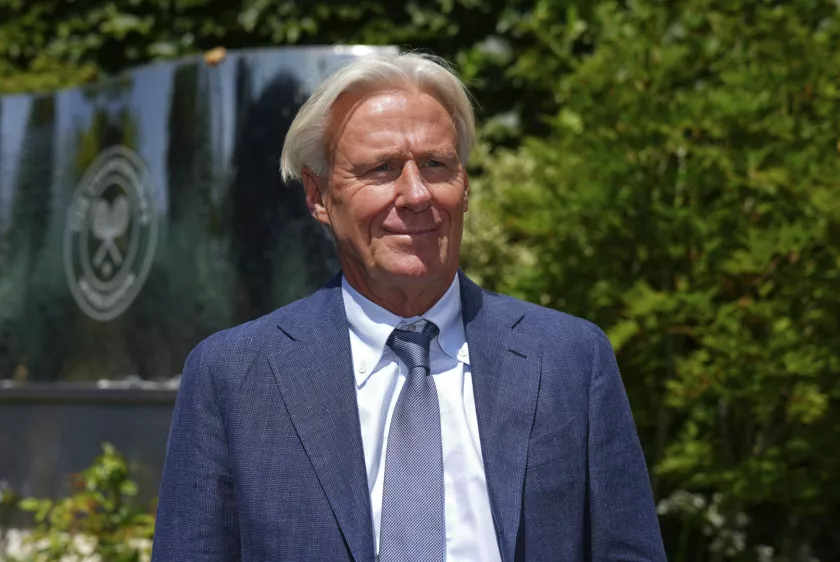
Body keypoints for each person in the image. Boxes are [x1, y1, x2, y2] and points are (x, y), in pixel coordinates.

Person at [152, 51, 666, 562]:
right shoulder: (235, 376)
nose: (416, 194)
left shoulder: (569, 359)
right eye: (382, 169)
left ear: (463, 185)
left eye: (436, 165)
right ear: (319, 196)